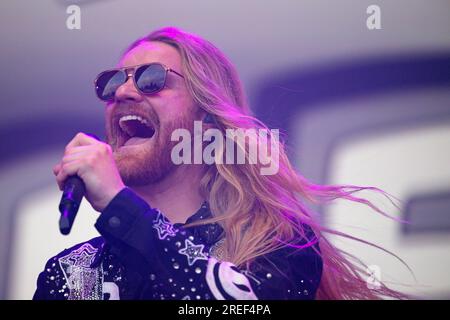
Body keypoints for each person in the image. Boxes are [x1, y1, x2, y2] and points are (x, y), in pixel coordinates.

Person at [33, 27, 405, 300]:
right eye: (113, 83)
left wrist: (121, 208)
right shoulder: (75, 274)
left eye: (151, 80)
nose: (124, 92)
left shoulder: (274, 244)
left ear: (206, 120)